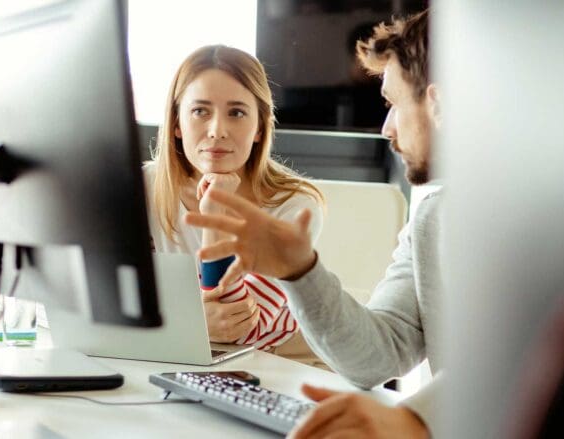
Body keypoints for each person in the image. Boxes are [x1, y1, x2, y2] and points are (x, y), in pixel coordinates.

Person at [185, 10, 443, 438]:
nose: (386, 128)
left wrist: (417, 418)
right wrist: (299, 271)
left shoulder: (549, 217)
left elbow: (521, 359)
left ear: (437, 104)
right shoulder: (431, 221)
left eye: (393, 103)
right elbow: (376, 357)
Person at [143, 45, 328, 366]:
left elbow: (234, 329)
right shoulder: (144, 186)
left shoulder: (295, 206)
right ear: (176, 124)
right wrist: (189, 319)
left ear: (259, 128)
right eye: (200, 111)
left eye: (237, 113)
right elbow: (114, 296)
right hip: (182, 353)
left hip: (283, 359)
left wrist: (214, 212)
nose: (217, 131)